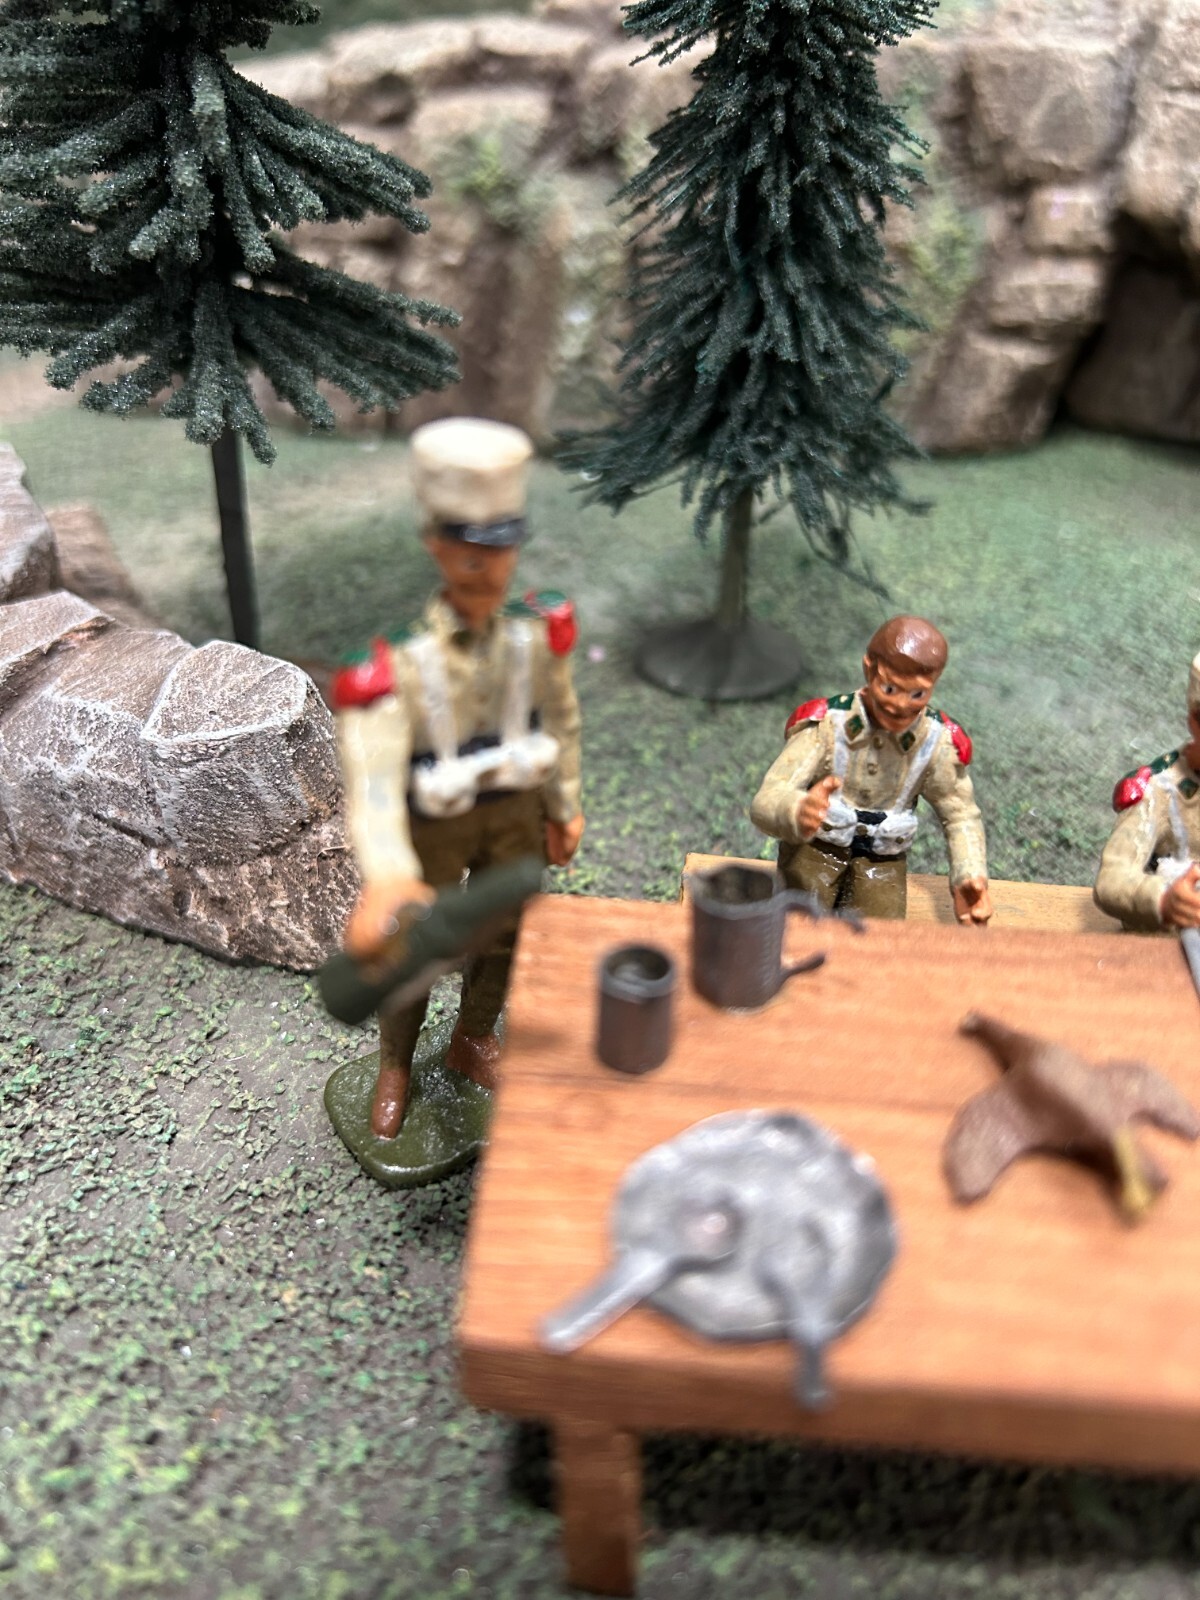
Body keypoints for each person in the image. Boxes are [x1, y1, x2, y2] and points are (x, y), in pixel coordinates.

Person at [333, 417, 584, 1139]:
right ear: (437, 547)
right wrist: (387, 874)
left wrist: (564, 805)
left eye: (501, 550)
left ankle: (472, 1037)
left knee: (505, 936)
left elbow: (561, 722)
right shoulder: (399, 664)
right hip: (434, 825)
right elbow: (374, 781)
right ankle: (395, 1063)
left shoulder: (535, 638)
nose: (488, 568)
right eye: (470, 551)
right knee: (415, 946)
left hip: (515, 814)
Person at [749, 615, 991, 923]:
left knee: (880, 934)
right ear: (869, 669)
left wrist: (969, 875)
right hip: (815, 850)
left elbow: (960, 814)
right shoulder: (826, 726)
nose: (900, 705)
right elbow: (768, 797)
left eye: (917, 694)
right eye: (889, 688)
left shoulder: (936, 744)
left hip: (882, 863)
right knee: (797, 924)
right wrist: (796, 810)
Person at [1094, 651, 1200, 932]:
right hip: (1174, 936)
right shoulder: (1159, 790)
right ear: (1195, 721)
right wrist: (1164, 900)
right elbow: (1112, 879)